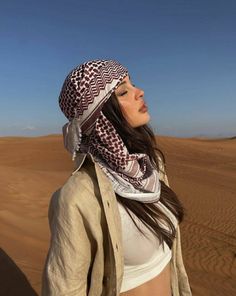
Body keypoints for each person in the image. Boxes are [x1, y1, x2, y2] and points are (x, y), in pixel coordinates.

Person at [41, 59, 192, 296]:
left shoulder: (151, 166)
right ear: (100, 117)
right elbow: (65, 288)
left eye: (132, 85)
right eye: (123, 91)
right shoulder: (77, 197)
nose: (139, 92)